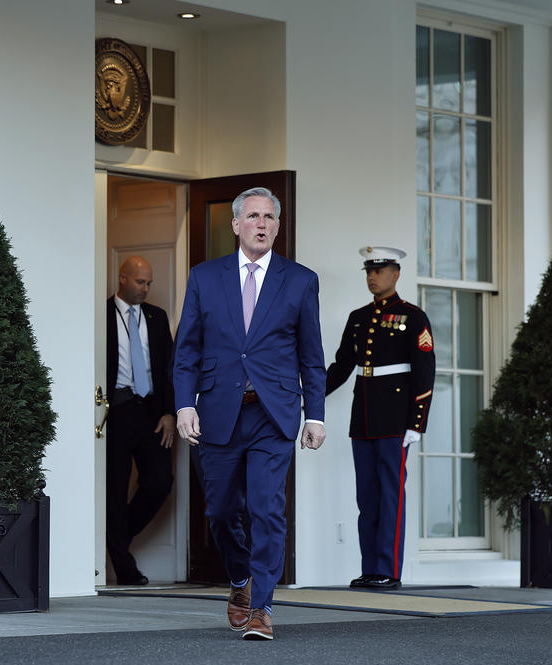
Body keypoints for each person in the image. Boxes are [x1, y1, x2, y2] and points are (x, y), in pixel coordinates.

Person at [174, 187, 326, 640]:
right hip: (218, 411)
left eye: (269, 217)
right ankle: (240, 580)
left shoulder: (300, 280)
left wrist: (314, 413)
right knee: (220, 512)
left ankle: (262, 608)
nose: (261, 224)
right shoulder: (204, 277)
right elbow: (187, 351)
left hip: (272, 414)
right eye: (253, 216)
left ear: (277, 227)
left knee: (266, 509)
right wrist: (185, 404)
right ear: (236, 224)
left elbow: (311, 354)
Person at [325, 246, 436, 590]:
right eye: (369, 271)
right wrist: (307, 397)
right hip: (365, 417)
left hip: (395, 418)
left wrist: (417, 423)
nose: (373, 277)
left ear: (396, 274)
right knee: (367, 497)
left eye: (380, 270)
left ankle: (389, 570)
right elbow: (342, 366)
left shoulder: (412, 316)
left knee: (391, 496)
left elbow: (424, 370)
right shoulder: (358, 317)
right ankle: (371, 568)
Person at [105, 256, 176, 586]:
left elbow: (170, 369)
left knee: (160, 481)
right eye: (139, 282)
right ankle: (124, 565)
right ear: (122, 278)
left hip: (152, 412)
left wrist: (171, 412)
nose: (146, 288)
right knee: (115, 488)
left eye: (149, 283)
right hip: (116, 410)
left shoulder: (157, 317)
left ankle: (115, 537)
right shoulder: (102, 314)